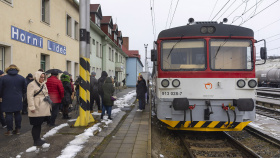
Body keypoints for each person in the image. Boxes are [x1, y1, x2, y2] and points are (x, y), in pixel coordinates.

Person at [0, 64, 27, 135]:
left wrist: (1, 96)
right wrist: (20, 94)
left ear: (8, 70)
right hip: (18, 98)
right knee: (18, 113)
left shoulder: (3, 78)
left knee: (8, 114)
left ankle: (9, 130)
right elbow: (25, 89)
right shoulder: (21, 78)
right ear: (17, 69)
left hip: (7, 98)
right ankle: (18, 129)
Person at [27, 71, 51, 146]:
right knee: (36, 124)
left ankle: (38, 139)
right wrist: (31, 107)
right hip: (36, 107)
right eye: (41, 77)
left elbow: (46, 93)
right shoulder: (31, 84)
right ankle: (36, 140)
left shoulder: (43, 84)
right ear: (37, 76)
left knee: (39, 124)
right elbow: (30, 97)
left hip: (43, 107)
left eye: (44, 77)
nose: (42, 78)